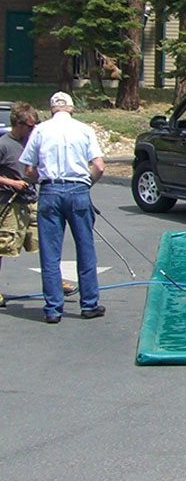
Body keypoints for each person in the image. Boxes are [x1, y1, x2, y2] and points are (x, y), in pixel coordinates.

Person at [20, 92, 105, 324]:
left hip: (50, 190)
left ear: (51, 110)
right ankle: (89, 304)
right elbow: (98, 166)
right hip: (77, 189)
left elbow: (28, 170)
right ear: (71, 108)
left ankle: (53, 309)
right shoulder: (84, 129)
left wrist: (43, 180)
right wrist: (86, 183)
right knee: (85, 248)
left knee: (50, 252)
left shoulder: (40, 130)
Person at [0, 102, 75, 308]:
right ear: (17, 123)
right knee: (3, 245)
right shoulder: (4, 144)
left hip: (33, 202)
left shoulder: (32, 142)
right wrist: (12, 182)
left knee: (46, 243)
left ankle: (54, 282)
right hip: (10, 204)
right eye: (30, 126)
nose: (33, 130)